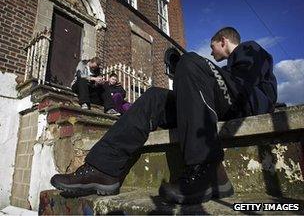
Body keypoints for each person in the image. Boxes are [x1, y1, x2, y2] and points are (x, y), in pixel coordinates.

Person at [51, 27, 277, 204]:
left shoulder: (250, 49)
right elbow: (212, 86)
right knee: (154, 97)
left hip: (246, 101)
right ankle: (103, 169)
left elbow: (247, 83)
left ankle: (207, 169)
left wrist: (196, 71)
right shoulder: (225, 70)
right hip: (217, 103)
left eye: (213, 47)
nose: (211, 52)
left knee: (190, 61)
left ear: (223, 41)